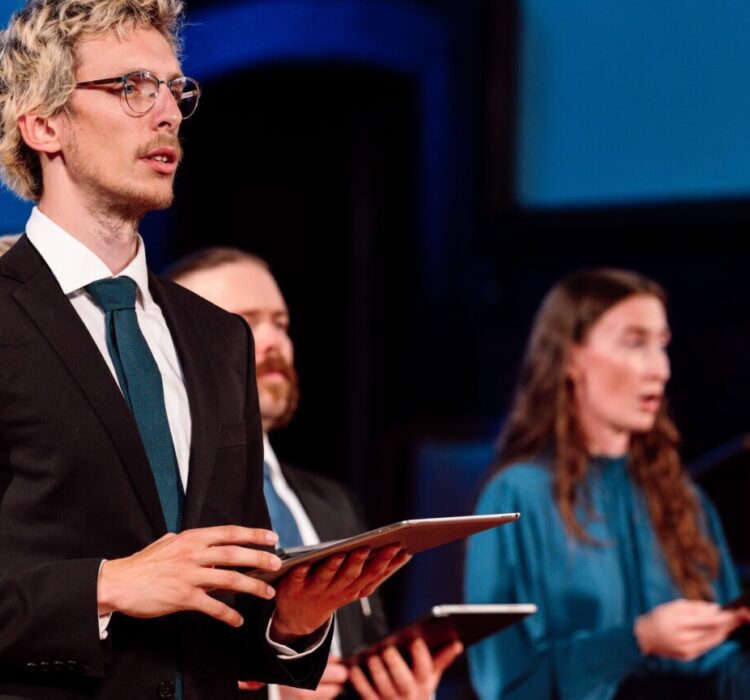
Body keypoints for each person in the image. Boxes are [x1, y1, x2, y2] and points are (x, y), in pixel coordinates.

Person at [0, 2, 407, 698]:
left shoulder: (219, 338)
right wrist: (105, 586)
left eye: (175, 89)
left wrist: (293, 620)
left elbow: (227, 610)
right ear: (43, 125)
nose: (167, 114)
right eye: (132, 87)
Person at [168, 247, 463, 700]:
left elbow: (363, 649)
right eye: (242, 323)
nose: (274, 342)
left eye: (280, 323)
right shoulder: (167, 500)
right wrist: (274, 690)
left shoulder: (332, 502)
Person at [465, 268, 750, 700]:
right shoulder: (516, 497)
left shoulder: (682, 500)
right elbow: (507, 685)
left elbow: (719, 669)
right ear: (570, 358)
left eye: (662, 345)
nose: (660, 369)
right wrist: (637, 640)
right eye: (635, 343)